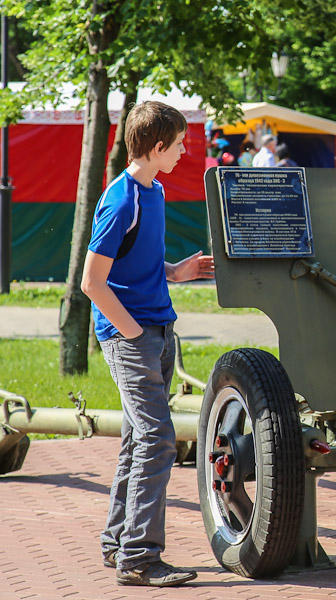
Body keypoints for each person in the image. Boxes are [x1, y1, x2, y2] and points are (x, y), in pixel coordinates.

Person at [81, 101, 215, 588]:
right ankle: (138, 559)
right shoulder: (122, 199)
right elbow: (93, 281)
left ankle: (118, 542)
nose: (184, 152)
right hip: (132, 337)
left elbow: (133, 267)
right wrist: (132, 334)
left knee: (140, 439)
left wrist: (176, 272)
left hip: (158, 331)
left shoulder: (152, 190)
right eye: (179, 144)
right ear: (158, 147)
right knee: (160, 441)